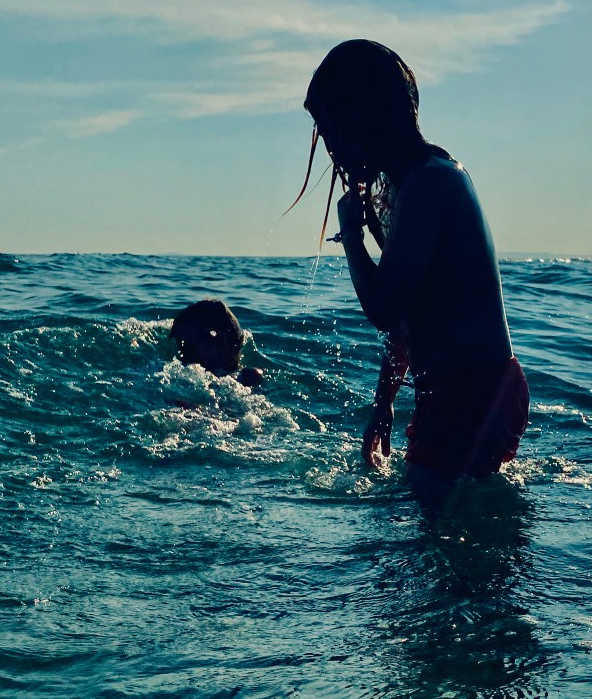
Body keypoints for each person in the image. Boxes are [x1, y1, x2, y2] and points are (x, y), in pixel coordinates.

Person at [303, 39, 528, 490]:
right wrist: (383, 404)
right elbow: (407, 320)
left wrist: (350, 236)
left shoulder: (429, 183)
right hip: (465, 390)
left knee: (439, 543)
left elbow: (384, 305)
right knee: (443, 539)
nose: (330, 149)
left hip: (471, 391)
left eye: (329, 130)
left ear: (361, 115)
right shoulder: (415, 184)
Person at [169, 299, 264, 388]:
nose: (182, 352)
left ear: (217, 338)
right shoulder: (247, 378)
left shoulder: (177, 377)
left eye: (187, 344)